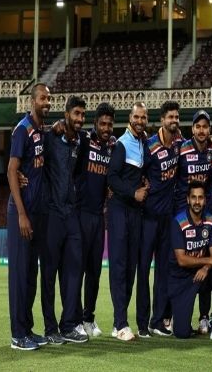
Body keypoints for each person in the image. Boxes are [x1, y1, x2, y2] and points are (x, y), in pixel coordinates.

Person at [39, 96, 88, 344]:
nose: (80, 119)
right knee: (48, 275)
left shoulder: (81, 141)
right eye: (76, 114)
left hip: (72, 214)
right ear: (66, 114)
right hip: (51, 215)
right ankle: (50, 328)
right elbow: (35, 163)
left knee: (73, 273)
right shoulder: (50, 137)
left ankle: (69, 325)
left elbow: (78, 174)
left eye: (82, 115)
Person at [6, 83, 50, 350]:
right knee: (20, 274)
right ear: (32, 102)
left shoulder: (42, 130)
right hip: (21, 213)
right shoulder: (22, 130)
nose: (47, 102)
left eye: (49, 99)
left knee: (31, 274)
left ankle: (28, 328)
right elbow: (12, 170)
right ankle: (16, 335)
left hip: (37, 212)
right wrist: (22, 214)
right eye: (43, 98)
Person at [138, 101, 183, 338]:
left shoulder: (178, 143)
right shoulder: (149, 145)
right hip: (148, 218)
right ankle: (142, 323)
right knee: (144, 271)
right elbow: (137, 172)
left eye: (177, 117)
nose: (174, 121)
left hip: (167, 219)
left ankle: (158, 321)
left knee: (163, 272)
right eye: (171, 117)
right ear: (162, 119)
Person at [107, 102, 149, 341]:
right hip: (119, 211)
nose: (140, 121)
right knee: (120, 268)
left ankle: (118, 323)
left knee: (130, 268)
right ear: (130, 118)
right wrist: (133, 192)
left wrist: (144, 184)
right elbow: (111, 177)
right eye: (137, 117)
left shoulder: (143, 143)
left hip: (135, 213)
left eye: (143, 118)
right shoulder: (121, 144)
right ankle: (121, 323)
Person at [168, 181, 212, 340]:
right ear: (188, 199)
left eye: (200, 198)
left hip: (202, 276)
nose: (197, 202)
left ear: (205, 200)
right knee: (182, 333)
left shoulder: (210, 219)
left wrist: (206, 267)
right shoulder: (178, 221)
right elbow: (182, 260)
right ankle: (179, 318)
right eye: (194, 197)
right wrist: (208, 262)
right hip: (182, 279)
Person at [75, 103, 116, 338]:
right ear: (95, 123)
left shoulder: (114, 146)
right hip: (81, 214)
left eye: (110, 124)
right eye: (102, 123)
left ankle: (89, 318)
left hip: (100, 217)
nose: (106, 128)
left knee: (94, 271)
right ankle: (74, 319)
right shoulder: (84, 140)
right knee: (77, 270)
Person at [174, 109, 212, 334]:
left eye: (205, 127)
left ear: (210, 130)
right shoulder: (181, 148)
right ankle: (172, 313)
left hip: (203, 216)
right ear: (192, 129)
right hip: (182, 216)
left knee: (205, 266)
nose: (202, 130)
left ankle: (203, 316)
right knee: (180, 268)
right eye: (198, 126)